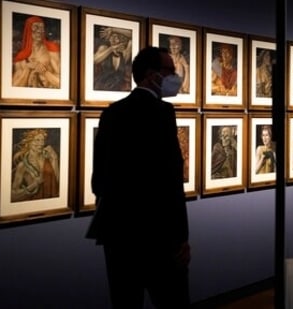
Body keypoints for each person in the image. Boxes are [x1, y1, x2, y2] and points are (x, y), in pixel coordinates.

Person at [87, 46, 190, 308]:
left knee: (125, 302)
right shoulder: (163, 113)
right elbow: (171, 179)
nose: (175, 75)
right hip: (158, 233)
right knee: (172, 300)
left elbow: (98, 179)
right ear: (151, 75)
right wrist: (181, 237)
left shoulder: (112, 112)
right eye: (169, 70)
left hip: (117, 232)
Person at [11, 128, 60, 202]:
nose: (42, 143)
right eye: (37, 140)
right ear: (29, 142)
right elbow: (13, 195)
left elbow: (57, 183)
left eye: (42, 140)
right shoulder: (23, 165)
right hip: (34, 202)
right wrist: (34, 184)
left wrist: (55, 159)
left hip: (51, 201)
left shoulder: (50, 158)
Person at [12, 15, 60, 88]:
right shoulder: (21, 56)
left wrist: (44, 72)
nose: (39, 31)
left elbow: (61, 82)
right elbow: (15, 85)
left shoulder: (52, 50)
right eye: (36, 27)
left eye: (41, 28)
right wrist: (27, 68)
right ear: (28, 29)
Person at [93, 26, 133, 91]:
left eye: (116, 37)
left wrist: (114, 29)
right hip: (100, 87)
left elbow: (133, 35)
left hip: (117, 90)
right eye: (111, 37)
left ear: (120, 40)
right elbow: (95, 60)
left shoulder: (125, 54)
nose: (113, 39)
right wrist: (111, 49)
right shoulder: (105, 48)